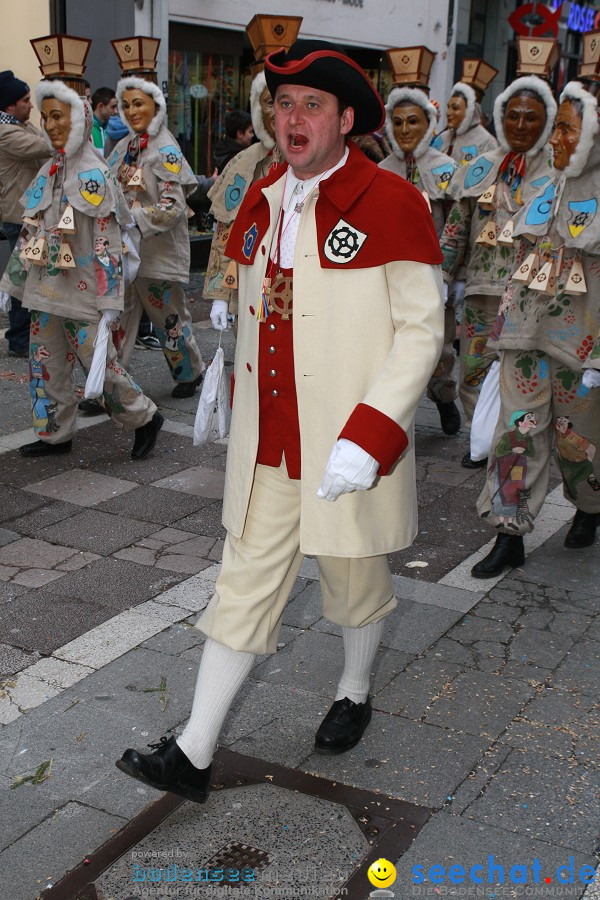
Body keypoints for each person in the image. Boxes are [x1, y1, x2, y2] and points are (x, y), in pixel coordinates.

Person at [116, 40, 444, 803]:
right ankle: (194, 753)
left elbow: (422, 333)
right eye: (283, 104)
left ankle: (355, 690)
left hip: (345, 441)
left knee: (355, 579)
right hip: (270, 445)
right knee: (241, 585)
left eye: (311, 106)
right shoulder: (266, 196)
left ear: (346, 120)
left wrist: (371, 437)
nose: (292, 119)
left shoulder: (393, 202)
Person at [0, 59, 163, 459]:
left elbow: (109, 244)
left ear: (79, 117)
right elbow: (31, 230)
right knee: (45, 364)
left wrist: (110, 304)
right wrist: (12, 282)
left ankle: (145, 416)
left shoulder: (94, 173)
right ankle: (55, 433)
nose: (51, 125)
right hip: (43, 289)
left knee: (101, 368)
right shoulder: (49, 168)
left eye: (59, 116)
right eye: (46, 117)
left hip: (84, 291)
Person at [472, 81, 600, 576]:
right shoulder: (548, 187)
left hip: (579, 350)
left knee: (579, 444)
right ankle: (508, 533)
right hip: (524, 340)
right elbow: (521, 260)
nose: (556, 139)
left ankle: (590, 508)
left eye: (567, 129)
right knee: (514, 439)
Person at [440, 68, 557, 462]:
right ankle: (480, 439)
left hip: (529, 301)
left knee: (519, 379)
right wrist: (442, 275)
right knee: (471, 370)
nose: (520, 124)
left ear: (547, 122)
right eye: (513, 115)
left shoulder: (556, 173)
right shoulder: (481, 166)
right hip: (481, 293)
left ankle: (508, 444)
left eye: (531, 117)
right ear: (501, 116)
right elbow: (456, 228)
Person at [108, 46, 205, 398]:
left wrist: (131, 219)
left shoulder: (164, 149)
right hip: (124, 253)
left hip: (156, 253)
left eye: (140, 103)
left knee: (169, 321)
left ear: (156, 105)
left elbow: (174, 206)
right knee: (117, 321)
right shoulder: (123, 147)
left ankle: (190, 373)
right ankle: (111, 384)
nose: (133, 111)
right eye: (128, 104)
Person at [380, 85, 461, 435]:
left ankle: (443, 397)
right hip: (388, 276)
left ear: (428, 123)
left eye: (413, 121)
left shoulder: (447, 169)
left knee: (437, 349)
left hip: (433, 275)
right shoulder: (381, 170)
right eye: (397, 123)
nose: (405, 130)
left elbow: (458, 224)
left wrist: (450, 276)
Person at [204, 69, 280, 333]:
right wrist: (219, 297)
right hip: (248, 285)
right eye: (271, 102)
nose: (278, 111)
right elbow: (224, 232)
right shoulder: (243, 163)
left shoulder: (319, 164)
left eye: (287, 101)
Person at [0, 69, 50, 357]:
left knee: (28, 277)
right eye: (26, 100)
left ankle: (26, 337)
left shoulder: (20, 125)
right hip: (18, 217)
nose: (31, 106)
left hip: (28, 214)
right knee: (21, 281)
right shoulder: (6, 133)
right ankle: (19, 341)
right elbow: (46, 145)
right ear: (10, 106)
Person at [213, 109, 254, 174]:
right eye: (250, 132)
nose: (252, 135)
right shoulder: (239, 159)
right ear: (240, 134)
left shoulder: (221, 150)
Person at [91, 87, 118, 151]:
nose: (116, 111)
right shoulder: (88, 132)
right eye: (113, 107)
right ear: (100, 106)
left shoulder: (112, 130)